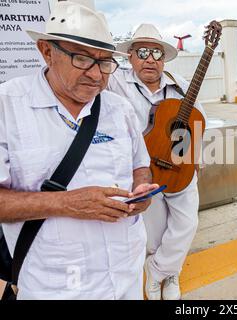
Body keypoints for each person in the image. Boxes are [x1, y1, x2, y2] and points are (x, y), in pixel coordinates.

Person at [0, 0, 158, 299]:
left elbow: (140, 164)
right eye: (82, 59)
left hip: (127, 272)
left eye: (105, 62)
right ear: (47, 51)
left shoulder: (119, 108)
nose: (97, 75)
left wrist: (141, 189)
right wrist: (66, 203)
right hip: (55, 284)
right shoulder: (7, 106)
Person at [108, 23, 206, 300]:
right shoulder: (115, 83)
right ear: (130, 56)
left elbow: (199, 123)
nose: (150, 58)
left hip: (178, 167)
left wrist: (188, 158)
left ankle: (161, 269)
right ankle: (166, 273)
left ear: (163, 59)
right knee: (153, 229)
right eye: (142, 52)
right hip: (142, 172)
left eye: (157, 53)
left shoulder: (181, 86)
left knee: (187, 224)